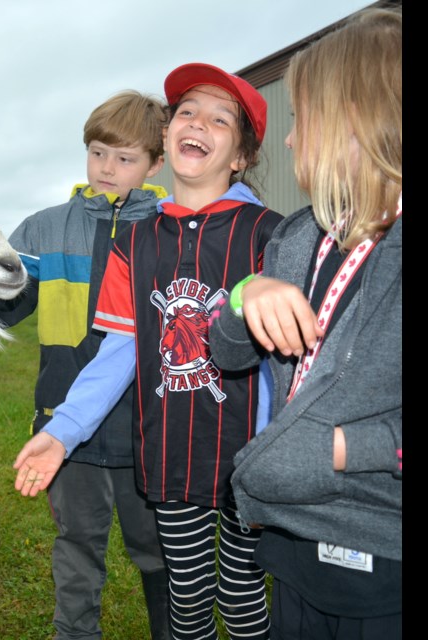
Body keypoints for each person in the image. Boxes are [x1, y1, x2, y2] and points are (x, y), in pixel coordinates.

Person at [13, 64, 283, 640]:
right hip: (170, 460)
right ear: (167, 136)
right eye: (187, 112)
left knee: (243, 600)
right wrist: (61, 432)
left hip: (250, 462)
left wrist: (275, 447)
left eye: (219, 119)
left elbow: (293, 361)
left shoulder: (270, 235)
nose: (197, 123)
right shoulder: (134, 243)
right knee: (185, 603)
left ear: (240, 156)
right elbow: (117, 355)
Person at [209, 8, 402, 638]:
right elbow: (228, 353)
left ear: (359, 120)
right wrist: (246, 292)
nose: (289, 139)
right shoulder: (297, 238)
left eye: (302, 119)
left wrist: (340, 451)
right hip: (294, 540)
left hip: (383, 552)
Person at [0, 90, 171, 640]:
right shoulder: (45, 229)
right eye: (98, 153)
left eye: (125, 158)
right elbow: (0, 305)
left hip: (155, 428)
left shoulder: (173, 230)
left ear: (155, 163)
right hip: (66, 429)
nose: (108, 169)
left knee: (158, 557)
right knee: (77, 549)